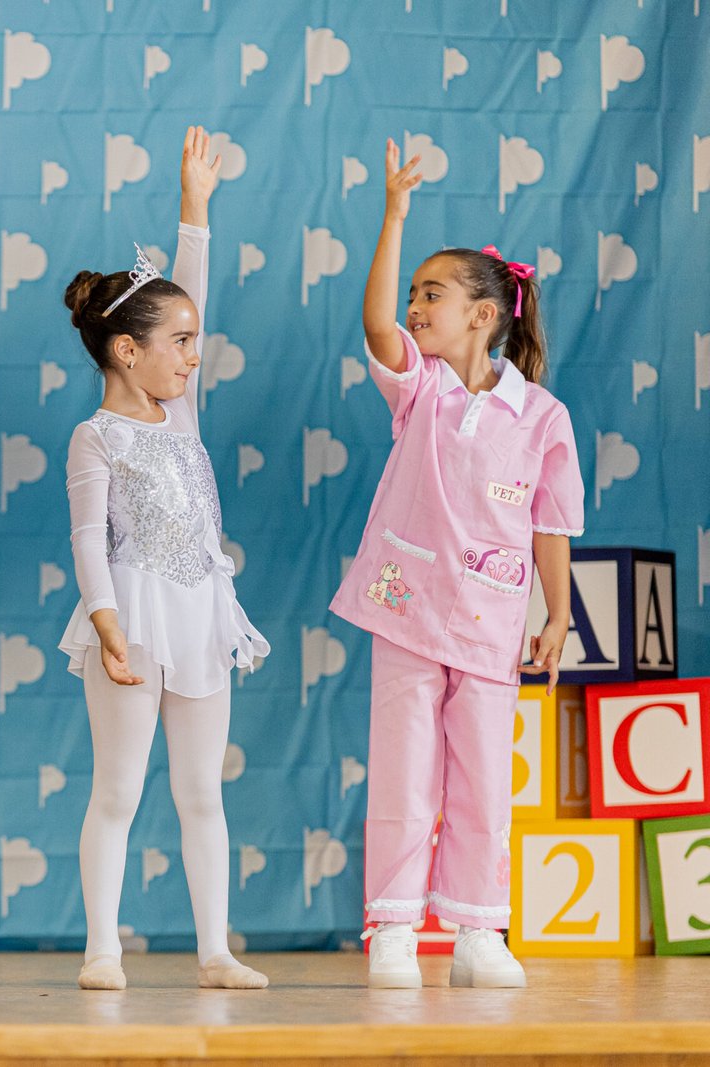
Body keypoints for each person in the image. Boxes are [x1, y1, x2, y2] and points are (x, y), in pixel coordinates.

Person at [332, 140, 584, 989]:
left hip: (491, 623)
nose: (414, 307)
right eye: (414, 293)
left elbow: (552, 525)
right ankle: (396, 928)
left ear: (484, 313)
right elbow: (376, 326)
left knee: (483, 778)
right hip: (407, 610)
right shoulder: (422, 390)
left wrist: (558, 614)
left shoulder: (542, 415)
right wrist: (394, 214)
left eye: (431, 294)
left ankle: (478, 930)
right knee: (403, 772)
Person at [58, 128, 271, 992]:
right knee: (117, 790)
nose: (193, 354)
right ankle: (101, 949)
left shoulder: (181, 416)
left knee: (201, 792)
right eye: (179, 342)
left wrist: (195, 207)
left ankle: (214, 949)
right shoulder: (96, 436)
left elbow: (193, 290)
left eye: (193, 340)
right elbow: (88, 539)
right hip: (134, 622)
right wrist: (108, 627)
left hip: (200, 614)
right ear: (126, 350)